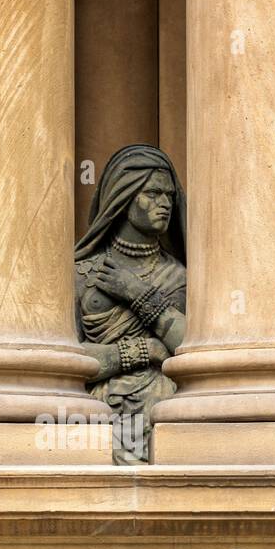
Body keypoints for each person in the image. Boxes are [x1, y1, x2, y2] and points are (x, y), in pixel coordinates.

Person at [74, 145, 186, 463]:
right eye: (152, 194)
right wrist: (144, 351)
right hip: (94, 412)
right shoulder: (83, 272)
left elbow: (187, 348)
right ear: (123, 197)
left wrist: (138, 294)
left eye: (168, 196)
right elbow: (63, 358)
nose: (164, 203)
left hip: (162, 408)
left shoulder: (178, 275)